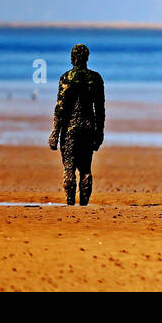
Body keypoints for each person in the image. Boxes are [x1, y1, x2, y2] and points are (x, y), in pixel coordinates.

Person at [48, 44, 105, 206]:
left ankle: (70, 202)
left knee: (69, 167)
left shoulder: (66, 78)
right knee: (86, 168)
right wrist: (99, 133)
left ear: (72, 58)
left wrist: (55, 133)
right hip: (88, 127)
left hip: (69, 129)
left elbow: (60, 108)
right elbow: (100, 109)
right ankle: (84, 205)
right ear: (87, 58)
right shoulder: (95, 79)